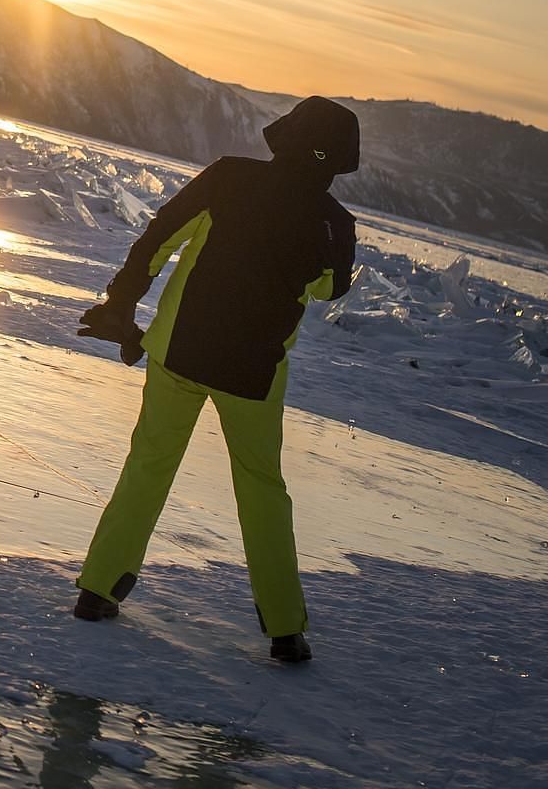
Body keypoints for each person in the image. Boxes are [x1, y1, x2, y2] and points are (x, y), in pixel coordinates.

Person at [71, 95, 359, 664]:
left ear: (282, 138)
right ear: (339, 161)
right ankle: (284, 630)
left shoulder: (228, 178)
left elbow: (161, 236)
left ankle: (97, 589)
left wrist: (121, 304)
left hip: (179, 352)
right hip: (254, 373)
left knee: (149, 465)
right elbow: (331, 288)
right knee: (262, 489)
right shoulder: (334, 223)